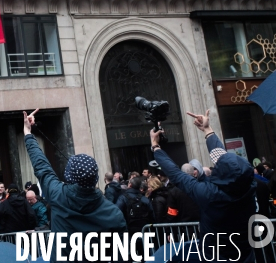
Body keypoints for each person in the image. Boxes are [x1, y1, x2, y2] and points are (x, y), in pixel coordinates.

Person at [151, 110, 256, 262]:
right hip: (245, 256)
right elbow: (221, 157)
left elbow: (176, 174)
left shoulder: (210, 195)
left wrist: (155, 146)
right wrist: (208, 130)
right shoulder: (249, 186)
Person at [23, 109, 127, 262]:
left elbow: (41, 166)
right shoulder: (114, 214)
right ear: (96, 178)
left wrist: (27, 132)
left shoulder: (57, 194)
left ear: (69, 176)